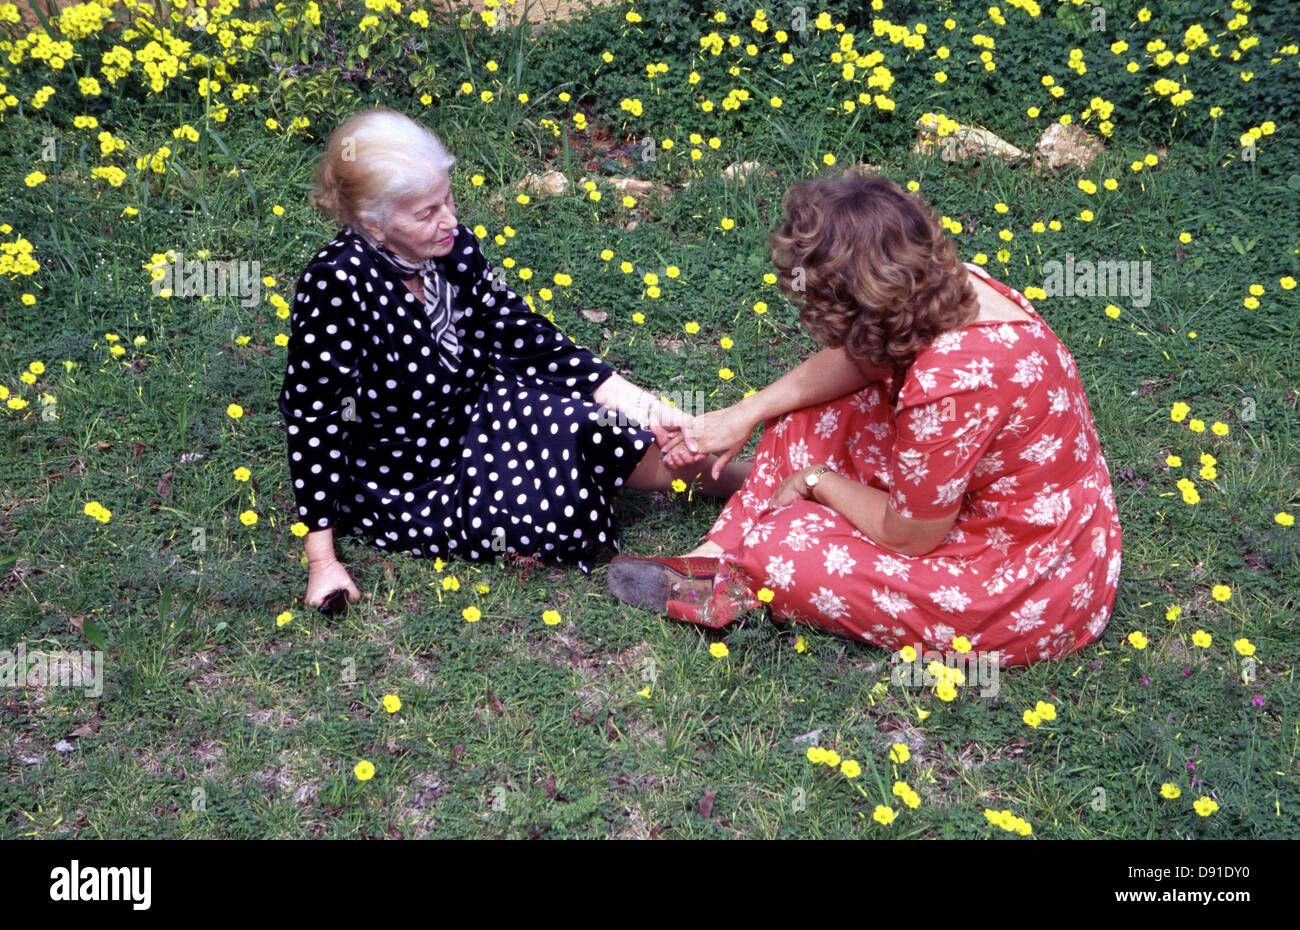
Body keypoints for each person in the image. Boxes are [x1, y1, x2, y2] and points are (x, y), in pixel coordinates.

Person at [609, 170, 1122, 668]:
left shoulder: (953, 382)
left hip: (1027, 573)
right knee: (803, 414)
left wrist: (818, 481)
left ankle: (742, 565)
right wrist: (748, 411)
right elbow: (860, 360)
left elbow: (910, 537)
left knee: (784, 548)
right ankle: (716, 554)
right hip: (979, 500)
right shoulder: (942, 283)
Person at [280, 107, 747, 609]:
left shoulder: (449, 247)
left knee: (599, 428)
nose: (450, 221)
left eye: (449, 198)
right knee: (545, 520)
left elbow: (525, 335)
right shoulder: (337, 283)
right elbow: (315, 417)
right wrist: (322, 562)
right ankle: (755, 494)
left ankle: (757, 480)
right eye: (426, 212)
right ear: (373, 223)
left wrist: (650, 409)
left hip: (479, 410)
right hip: (412, 477)